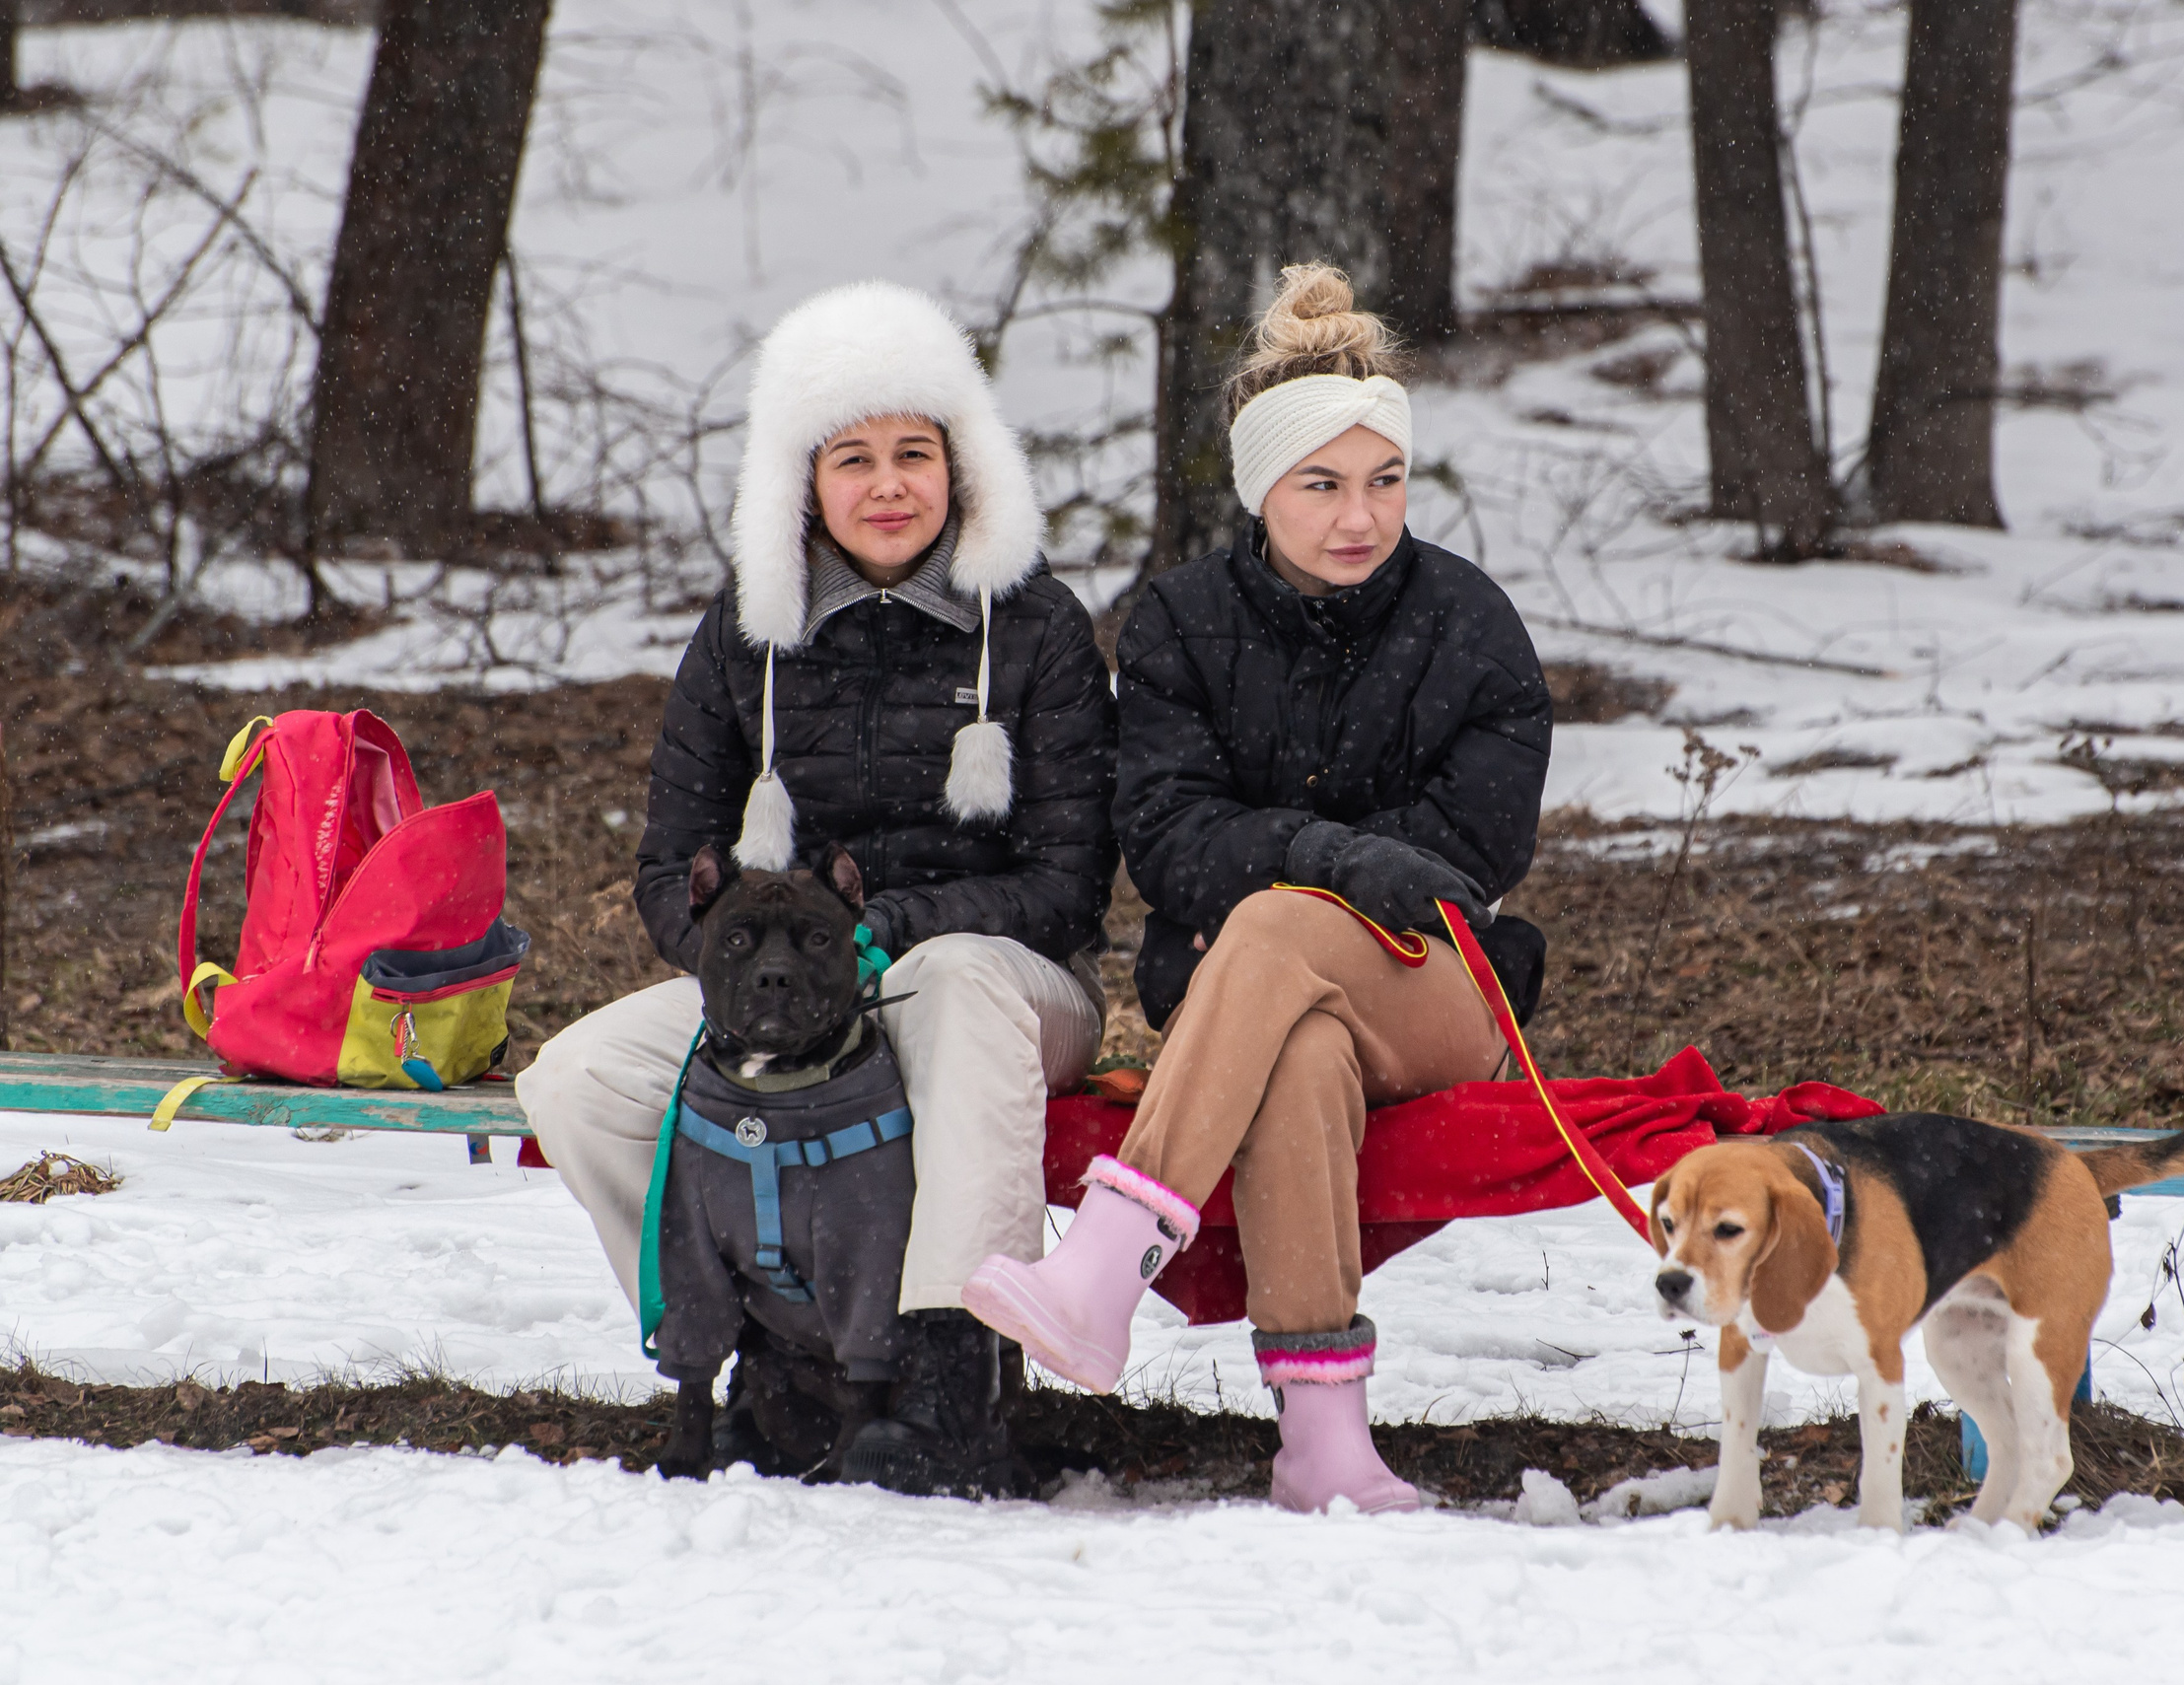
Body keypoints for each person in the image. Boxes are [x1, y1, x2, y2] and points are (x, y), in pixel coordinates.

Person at [963, 264, 1553, 1514]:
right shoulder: (1182, 622)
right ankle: (1324, 1439)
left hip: (1440, 994)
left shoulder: (1469, 622)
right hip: (1267, 1009)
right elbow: (1167, 836)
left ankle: (1106, 1265)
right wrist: (1339, 854)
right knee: (1297, 1050)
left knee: (1280, 919)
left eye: (1384, 480)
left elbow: (1473, 851)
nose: (1360, 516)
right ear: (1259, 490)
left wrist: (1290, 864)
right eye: (1322, 485)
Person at [517, 280, 1116, 1497]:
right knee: (575, 1080)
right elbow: (668, 863)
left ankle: (952, 1378)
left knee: (948, 985)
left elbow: (1066, 882)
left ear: (964, 467)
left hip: (1007, 980)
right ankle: (760, 1342)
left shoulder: (1039, 627)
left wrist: (892, 929)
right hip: (791, 976)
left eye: (914, 453)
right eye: (853, 458)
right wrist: (745, 976)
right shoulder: (747, 633)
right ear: (802, 478)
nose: (887, 484)